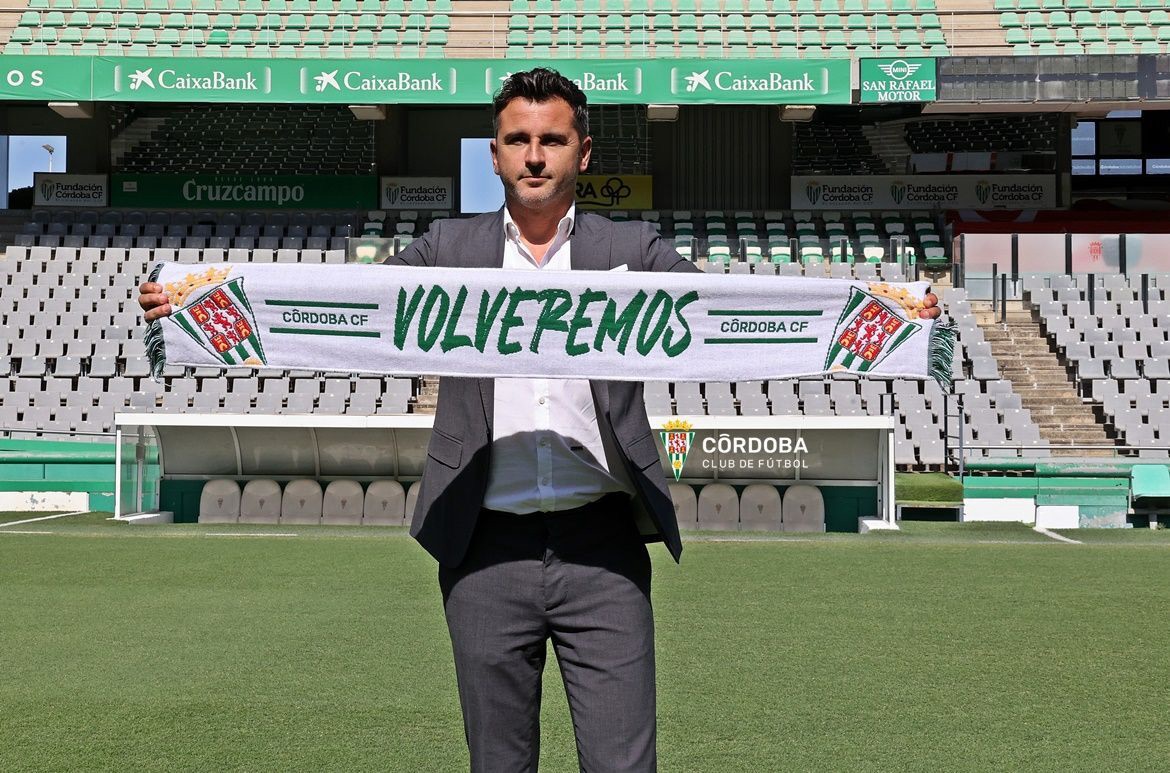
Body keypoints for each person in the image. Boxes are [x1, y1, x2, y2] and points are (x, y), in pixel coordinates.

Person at [139, 67, 940, 772]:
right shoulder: (447, 248)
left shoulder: (633, 249)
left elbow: (728, 314)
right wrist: (197, 301)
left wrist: (889, 312)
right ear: (494, 154)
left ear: (582, 154)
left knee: (624, 762)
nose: (533, 155)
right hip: (483, 547)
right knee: (498, 761)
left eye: (551, 140)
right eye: (517, 140)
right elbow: (352, 306)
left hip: (604, 549)